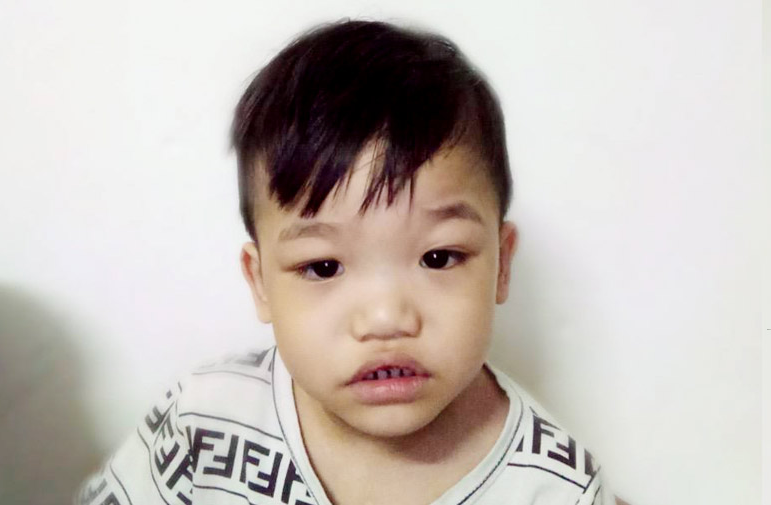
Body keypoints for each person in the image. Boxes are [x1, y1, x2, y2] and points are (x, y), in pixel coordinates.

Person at [76, 19, 624, 505]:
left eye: (438, 257)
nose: (386, 319)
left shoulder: (557, 491)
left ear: (501, 266)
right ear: (260, 281)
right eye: (323, 267)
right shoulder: (204, 419)